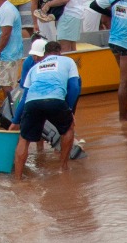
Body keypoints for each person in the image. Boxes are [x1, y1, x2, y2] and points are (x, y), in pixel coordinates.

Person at [14, 42, 82, 179]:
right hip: (55, 100)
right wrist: (69, 109)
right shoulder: (68, 61)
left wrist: (15, 120)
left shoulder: (35, 67)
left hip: (32, 102)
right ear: (60, 52)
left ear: (44, 54)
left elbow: (24, 97)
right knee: (68, 128)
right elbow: (75, 87)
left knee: (24, 139)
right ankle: (63, 168)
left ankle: (18, 179)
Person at [0, 0, 28, 95]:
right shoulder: (3, 9)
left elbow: (6, 34)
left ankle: (13, 110)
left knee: (7, 86)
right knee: (7, 84)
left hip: (9, 55)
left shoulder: (7, 10)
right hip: (9, 54)